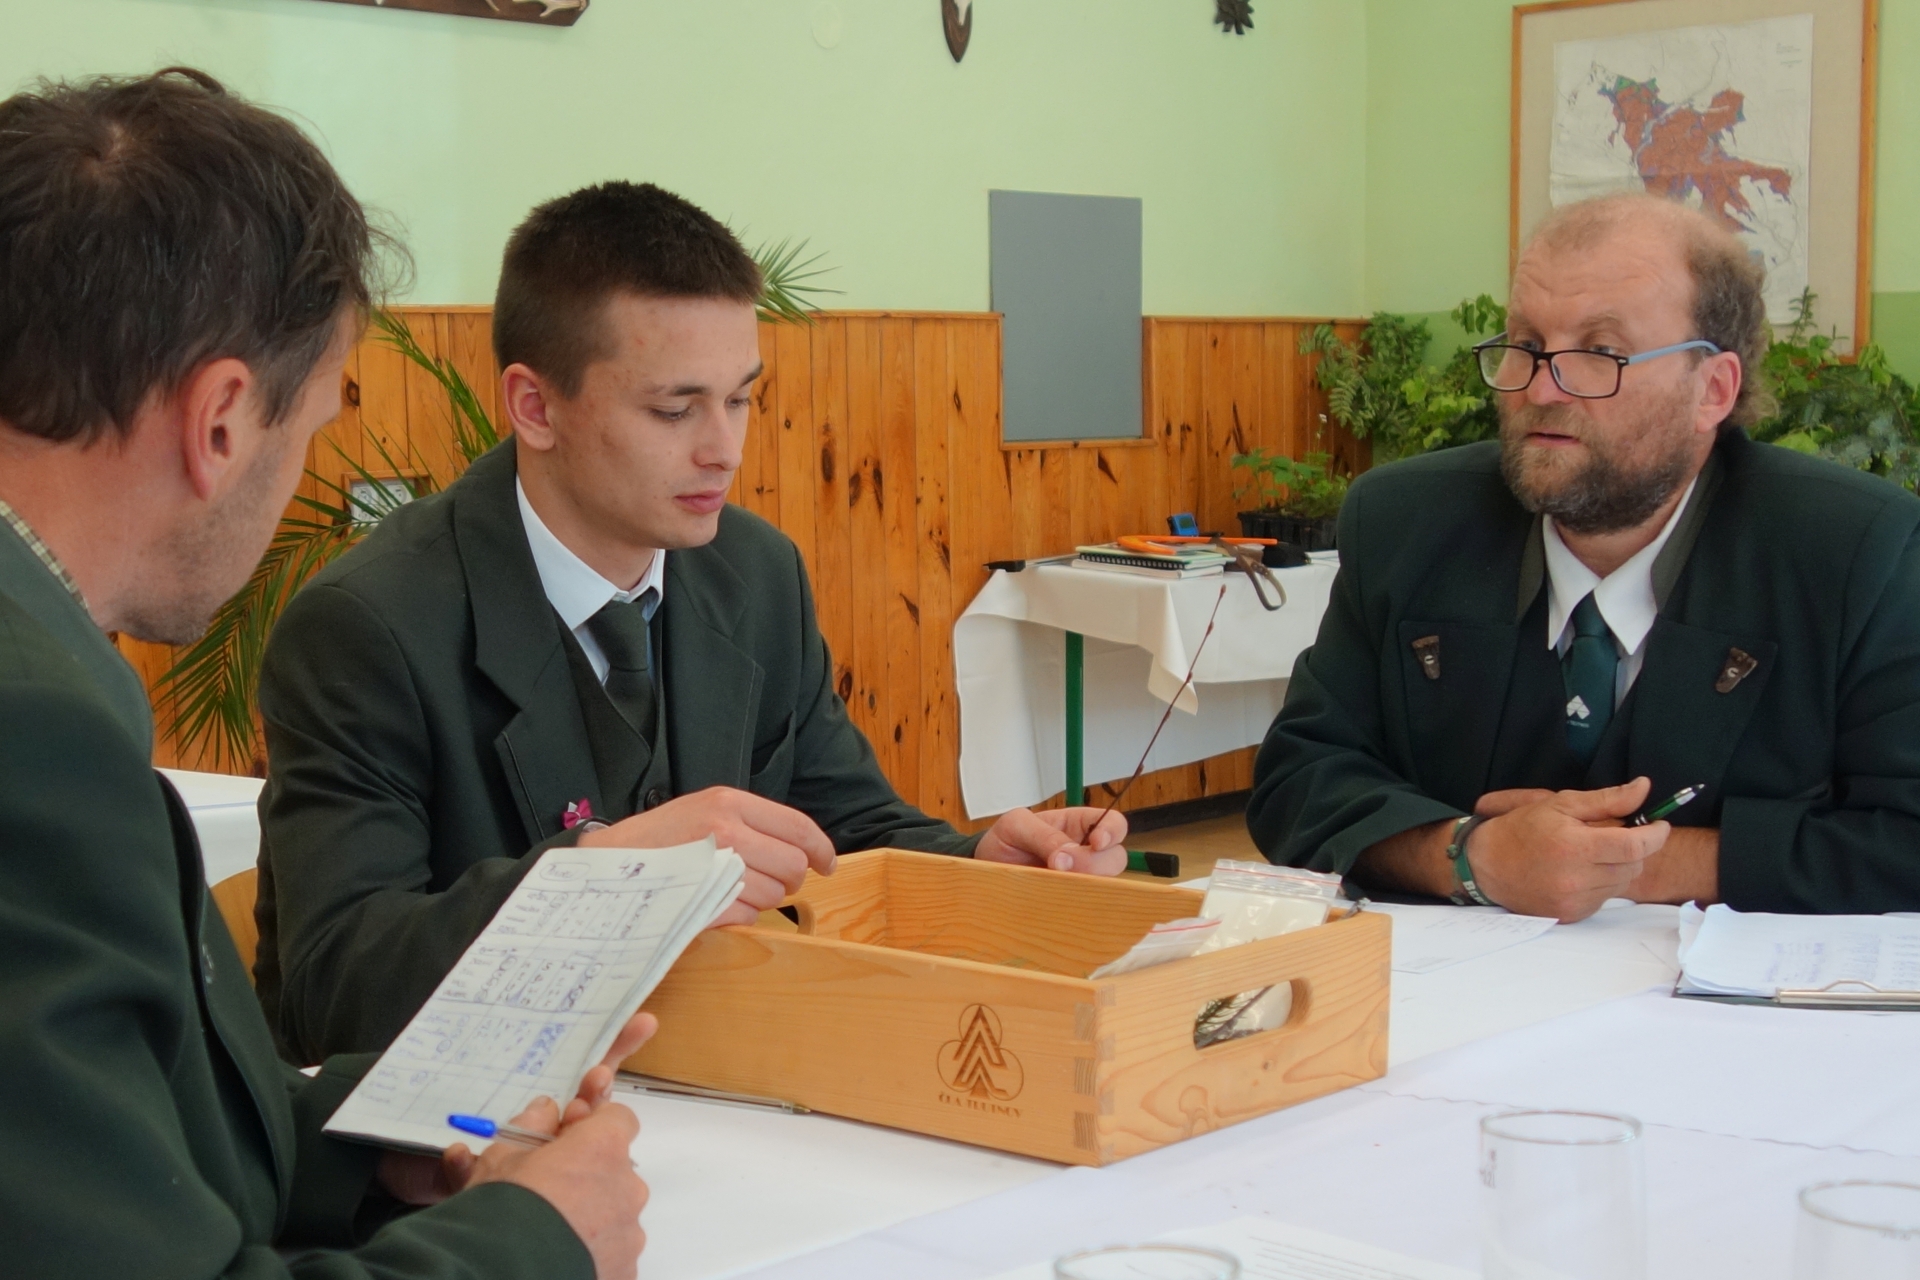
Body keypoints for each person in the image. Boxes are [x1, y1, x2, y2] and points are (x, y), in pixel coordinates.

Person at [0, 69, 656, 1279]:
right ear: (220, 422)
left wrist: (367, 1140)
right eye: (312, 426)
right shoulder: (33, 733)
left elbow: (81, 1145)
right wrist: (533, 1240)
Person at [253, 180, 1130, 1064]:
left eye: (740, 398)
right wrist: (607, 878)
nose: (725, 449)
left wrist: (980, 865)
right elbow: (333, 991)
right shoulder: (367, 629)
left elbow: (844, 825)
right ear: (535, 407)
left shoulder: (757, 573)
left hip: (726, 1075)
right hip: (478, 1119)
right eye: (674, 410)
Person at [1247, 192, 1920, 922]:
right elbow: (1299, 780)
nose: (1541, 388)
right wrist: (1474, 856)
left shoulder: (1856, 551)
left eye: (1599, 353)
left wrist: (1631, 865)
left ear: (1712, 390)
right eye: (1526, 344)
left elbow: (1904, 838)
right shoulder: (1406, 522)